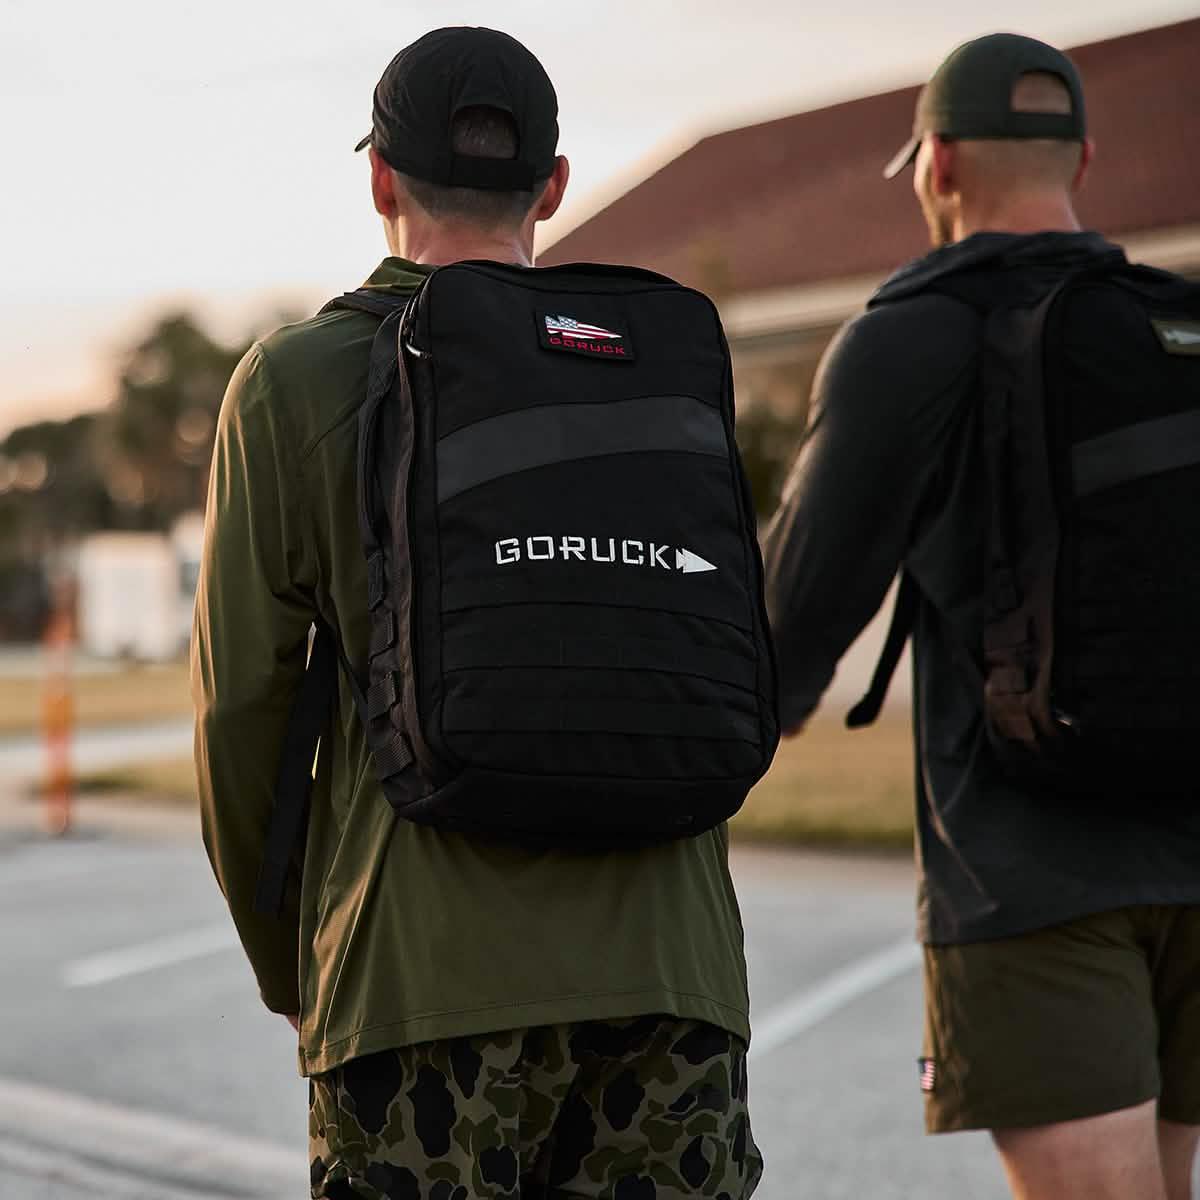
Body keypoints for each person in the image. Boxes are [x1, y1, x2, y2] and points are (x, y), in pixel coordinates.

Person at [192, 26, 763, 1200]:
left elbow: (238, 717)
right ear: (554, 187)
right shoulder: (651, 362)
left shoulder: (295, 380)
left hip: (418, 987)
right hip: (674, 975)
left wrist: (296, 962)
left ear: (378, 180)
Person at [763, 32, 1200, 1200]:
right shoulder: (1177, 323)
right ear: (1086, 161)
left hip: (1028, 864)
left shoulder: (908, 339)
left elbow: (794, 610)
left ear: (938, 165)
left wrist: (743, 720)